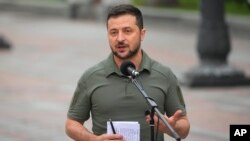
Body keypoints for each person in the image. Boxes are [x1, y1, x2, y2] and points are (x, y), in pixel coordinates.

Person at [65, 4, 190, 141]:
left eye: (127, 31)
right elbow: (72, 124)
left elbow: (183, 127)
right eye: (113, 32)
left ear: (142, 34)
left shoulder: (164, 75)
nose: (120, 38)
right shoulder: (91, 77)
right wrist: (94, 140)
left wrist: (170, 127)